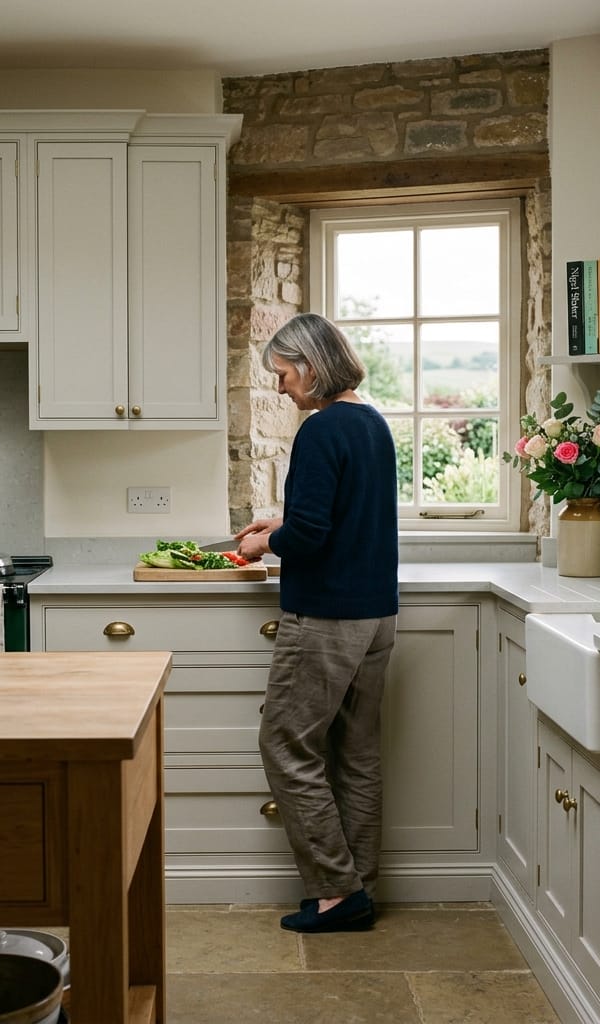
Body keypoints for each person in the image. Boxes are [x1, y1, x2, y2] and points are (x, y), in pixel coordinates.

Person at [234, 312, 399, 934]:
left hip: (327, 616)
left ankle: (334, 890)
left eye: (282, 373)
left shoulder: (321, 429)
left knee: (285, 745)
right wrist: (278, 524)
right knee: (356, 755)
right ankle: (357, 889)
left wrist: (262, 546)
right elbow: (344, 517)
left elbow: (311, 533)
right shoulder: (371, 423)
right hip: (375, 615)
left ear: (310, 364)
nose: (279, 387)